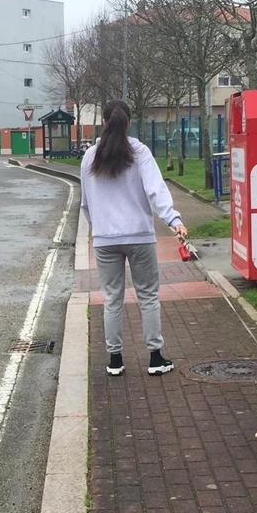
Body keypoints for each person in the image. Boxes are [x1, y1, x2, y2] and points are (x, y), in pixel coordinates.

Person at [80, 100, 187, 378]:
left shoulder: (89, 156)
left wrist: (98, 228)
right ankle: (155, 357)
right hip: (139, 236)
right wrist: (174, 220)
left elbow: (86, 203)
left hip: (105, 239)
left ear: (103, 122)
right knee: (148, 296)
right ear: (128, 122)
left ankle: (115, 360)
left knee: (112, 298)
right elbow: (156, 190)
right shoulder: (140, 152)